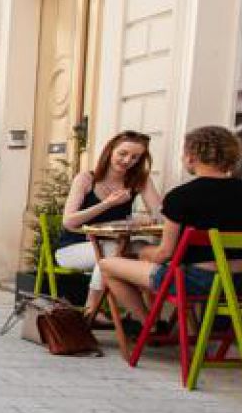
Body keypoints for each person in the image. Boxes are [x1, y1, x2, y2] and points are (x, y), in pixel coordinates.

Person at [98, 125, 242, 330]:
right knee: (149, 265)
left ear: (192, 156)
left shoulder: (181, 196)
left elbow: (164, 253)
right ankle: (167, 326)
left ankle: (150, 324)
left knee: (107, 265)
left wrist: (141, 251)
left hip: (199, 281)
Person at [57, 131, 163, 311]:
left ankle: (147, 316)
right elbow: (68, 222)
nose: (127, 160)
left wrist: (149, 218)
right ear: (110, 151)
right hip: (72, 249)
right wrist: (107, 204)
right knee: (111, 252)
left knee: (145, 249)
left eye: (135, 157)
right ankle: (92, 308)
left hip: (115, 246)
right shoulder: (86, 179)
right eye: (123, 153)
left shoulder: (139, 181)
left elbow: (161, 214)